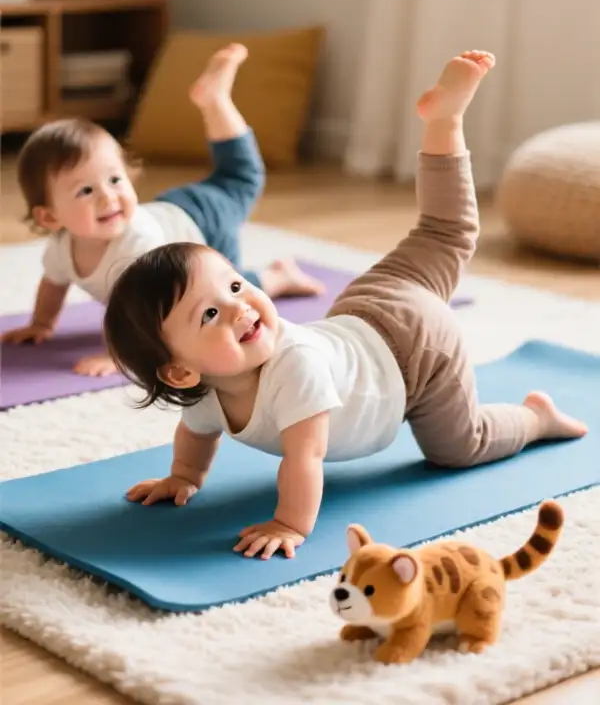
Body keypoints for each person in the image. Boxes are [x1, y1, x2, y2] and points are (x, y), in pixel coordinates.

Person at [102, 50, 588, 559]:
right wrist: (183, 477)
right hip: (367, 310)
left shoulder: (294, 366)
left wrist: (289, 523)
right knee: (445, 232)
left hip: (415, 355)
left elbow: (305, 457)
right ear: (180, 373)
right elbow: (197, 434)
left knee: (460, 447)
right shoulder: (202, 395)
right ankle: (444, 121)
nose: (239, 308)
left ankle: (536, 419)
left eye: (236, 287)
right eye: (209, 314)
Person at [2, 44, 323, 377]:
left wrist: (119, 356)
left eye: (114, 179)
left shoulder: (137, 246)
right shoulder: (61, 248)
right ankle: (280, 273)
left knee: (237, 209)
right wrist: (41, 324)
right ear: (51, 217)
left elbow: (149, 313)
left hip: (202, 225)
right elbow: (54, 284)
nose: (108, 197)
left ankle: (276, 276)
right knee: (234, 182)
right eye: (86, 191)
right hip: (172, 213)